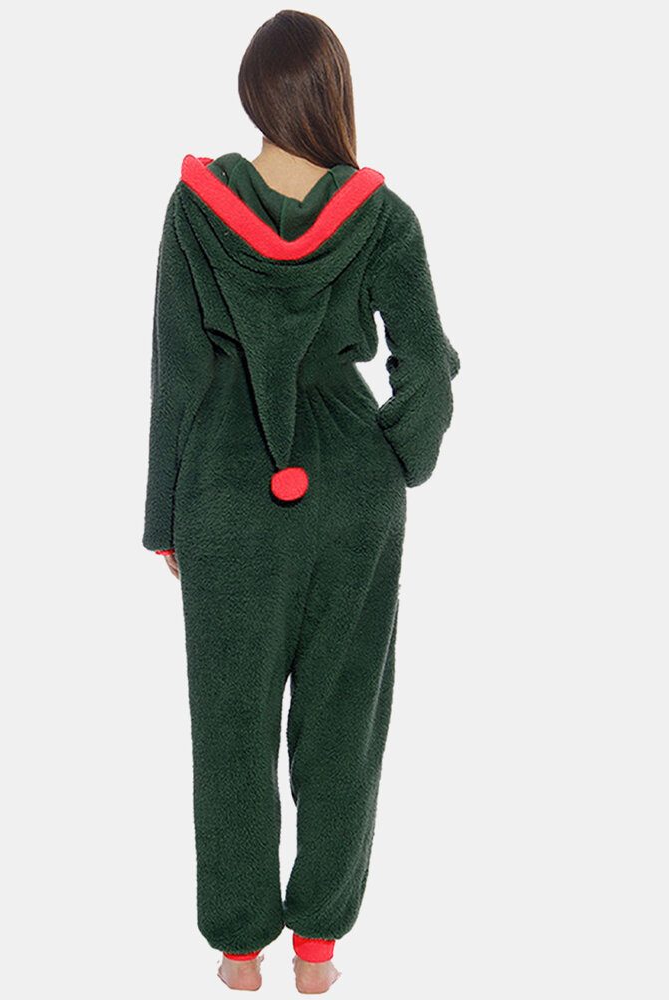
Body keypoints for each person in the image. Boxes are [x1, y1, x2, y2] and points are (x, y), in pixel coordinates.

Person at [142, 10, 460, 993]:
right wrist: (396, 460)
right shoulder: (384, 218)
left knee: (229, 720)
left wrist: (163, 517)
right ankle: (318, 944)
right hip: (353, 491)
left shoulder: (195, 210)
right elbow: (429, 367)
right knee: (342, 717)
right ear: (332, 94)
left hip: (227, 488)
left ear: (255, 93)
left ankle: (240, 947)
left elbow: (179, 371)